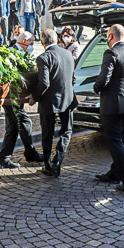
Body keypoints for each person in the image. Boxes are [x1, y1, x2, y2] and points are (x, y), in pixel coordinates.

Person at [93, 24, 124, 192]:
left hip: (112, 104)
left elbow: (104, 78)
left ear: (111, 36)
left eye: (107, 36)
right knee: (120, 139)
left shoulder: (111, 52)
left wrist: (96, 88)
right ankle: (115, 173)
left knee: (115, 142)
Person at [31, 29, 77, 178]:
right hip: (68, 98)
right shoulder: (68, 53)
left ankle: (48, 165)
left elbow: (44, 83)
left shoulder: (43, 58)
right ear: (57, 39)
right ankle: (58, 160)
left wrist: (34, 97)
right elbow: (73, 79)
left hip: (49, 100)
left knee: (47, 134)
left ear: (43, 42)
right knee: (67, 131)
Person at [0, 31, 43, 169]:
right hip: (11, 95)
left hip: (16, 96)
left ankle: (4, 158)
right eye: (31, 43)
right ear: (24, 41)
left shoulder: (23, 52)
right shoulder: (10, 52)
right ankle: (29, 152)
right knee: (23, 121)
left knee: (13, 126)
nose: (32, 46)